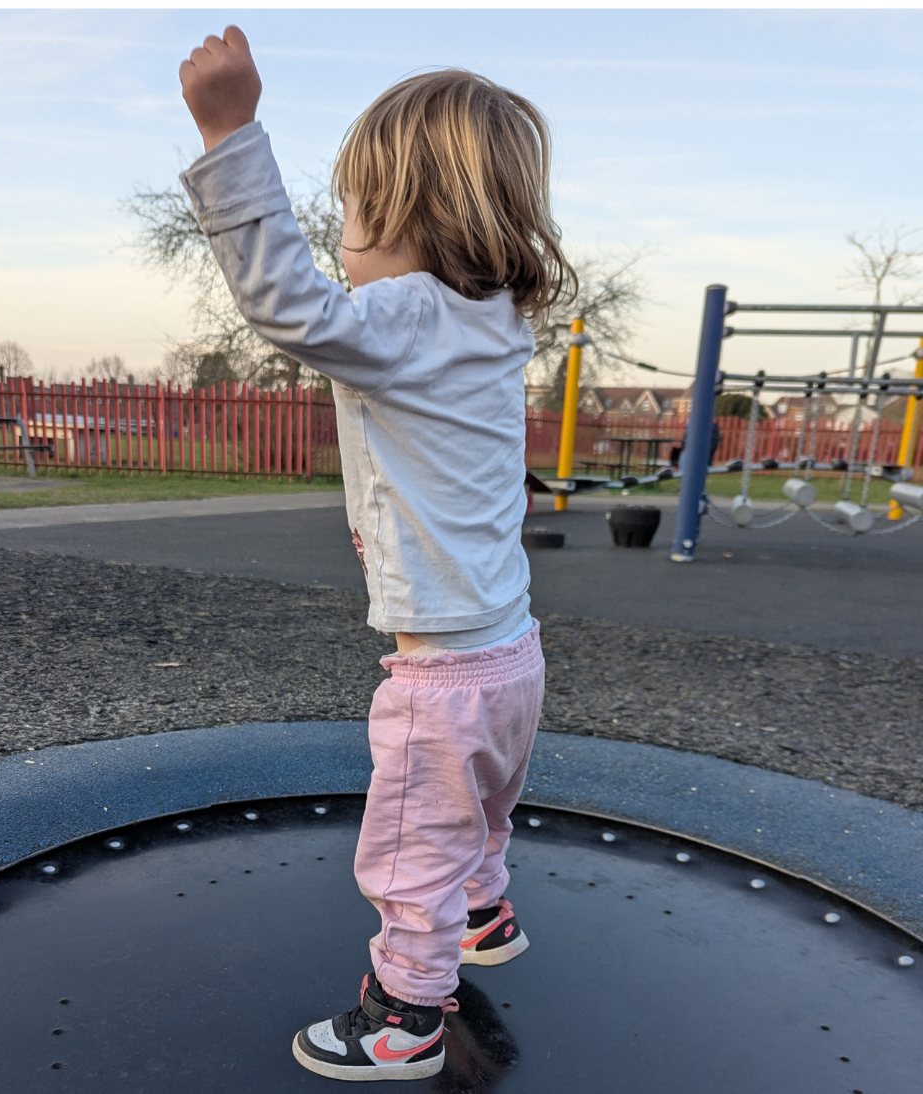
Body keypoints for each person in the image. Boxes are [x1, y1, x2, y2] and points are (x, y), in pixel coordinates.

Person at [178, 27, 572, 1082]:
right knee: (478, 811)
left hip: (442, 672)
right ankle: (483, 915)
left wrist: (229, 134)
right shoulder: (490, 319)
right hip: (512, 652)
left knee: (409, 848)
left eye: (350, 216)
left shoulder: (406, 315)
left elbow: (284, 305)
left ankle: (405, 1012)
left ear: (408, 218)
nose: (342, 241)